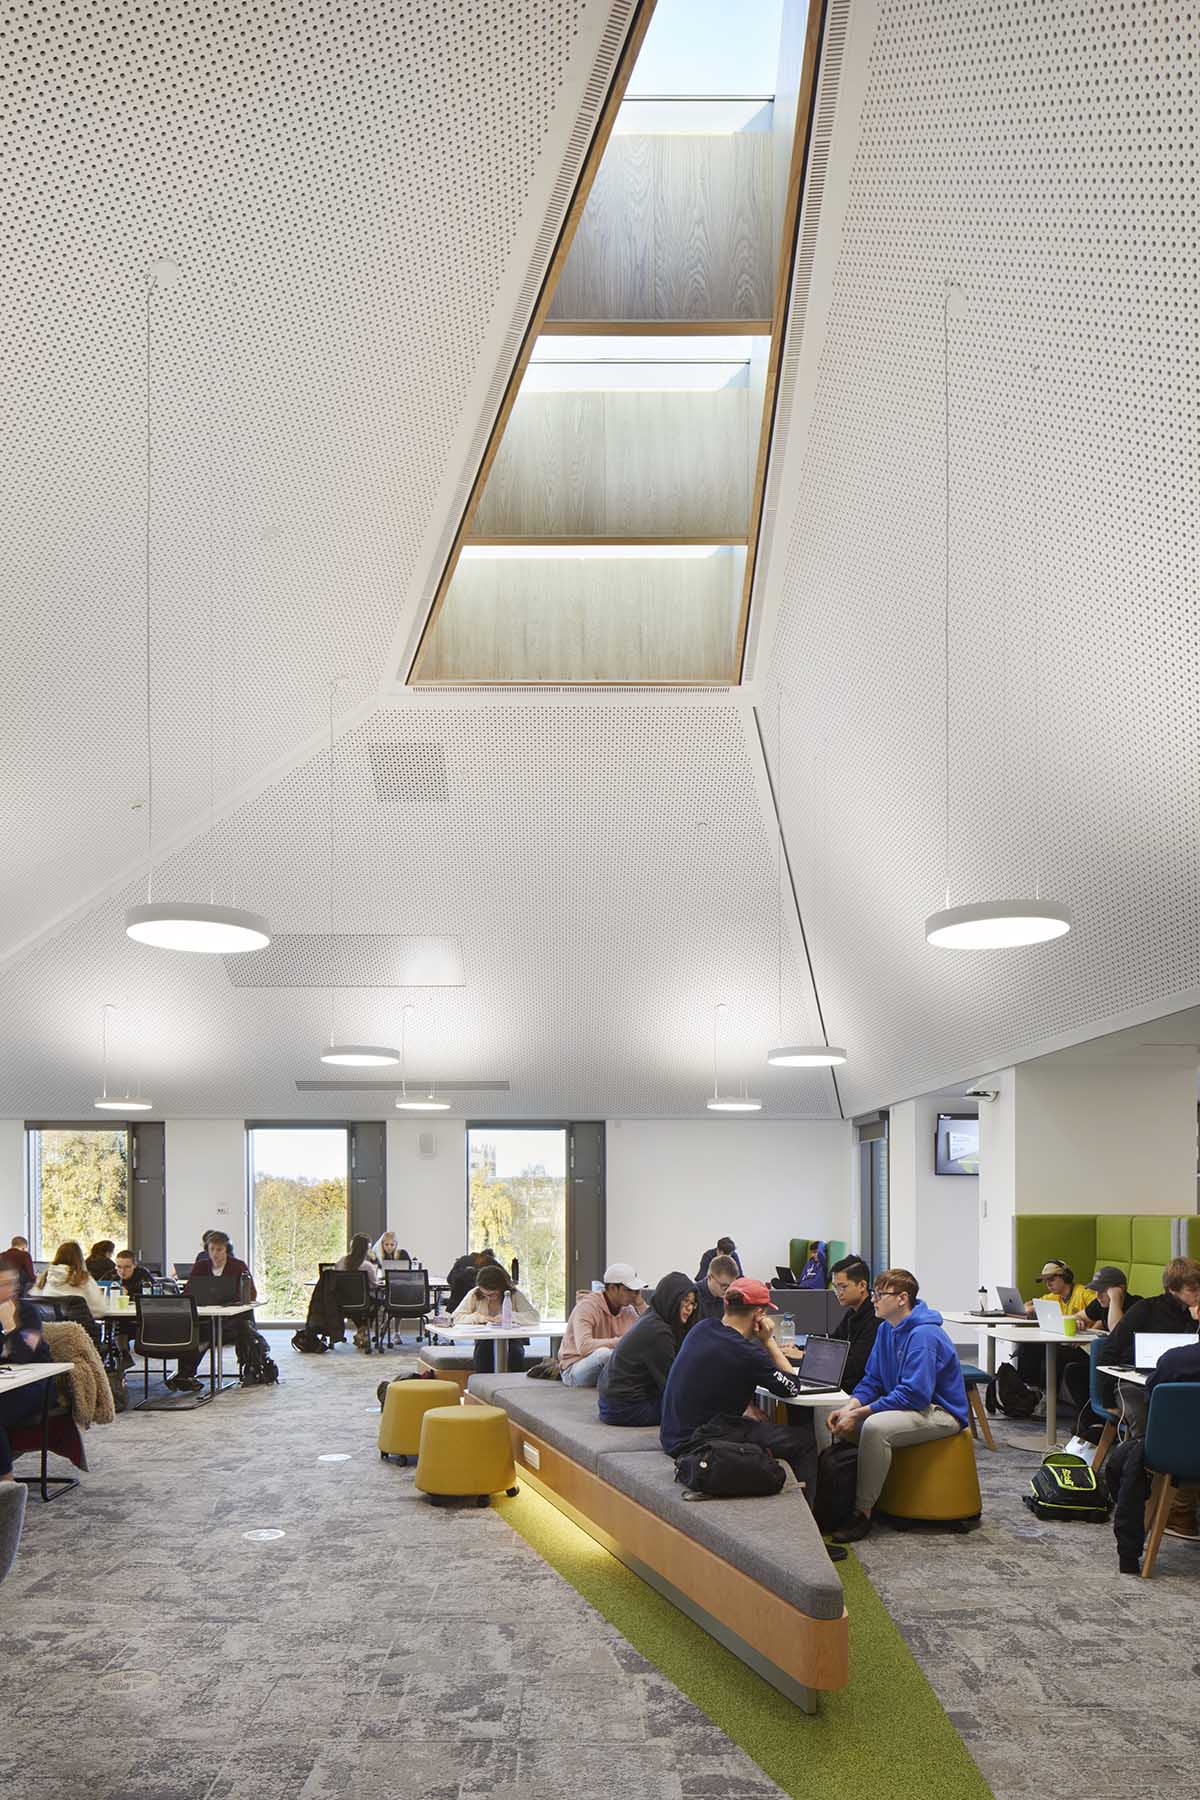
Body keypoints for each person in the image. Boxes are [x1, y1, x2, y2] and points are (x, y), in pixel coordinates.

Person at [826, 1268, 968, 1544]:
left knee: (875, 1427)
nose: (873, 1300)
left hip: (940, 1411)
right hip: (910, 1406)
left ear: (902, 1298)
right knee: (834, 1411)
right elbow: (872, 1379)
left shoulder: (924, 1335)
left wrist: (861, 1413)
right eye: (875, 1294)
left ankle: (863, 1511)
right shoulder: (886, 1330)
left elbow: (915, 1395)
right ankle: (835, 1498)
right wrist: (850, 1407)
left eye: (880, 1295)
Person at [658, 1278, 818, 1491]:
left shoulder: (702, 1328)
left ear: (726, 1304)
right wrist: (768, 1341)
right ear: (759, 1314)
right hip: (700, 1443)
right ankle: (806, 1510)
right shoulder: (748, 1353)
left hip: (672, 1435)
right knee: (804, 1441)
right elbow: (792, 1386)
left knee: (757, 1425)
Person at [1106, 1298, 1200, 1572]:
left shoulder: (1174, 1361)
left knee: (1132, 1453)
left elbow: (1155, 1406)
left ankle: (1133, 1552)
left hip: (1177, 1456)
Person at [1100, 1256, 1200, 1434]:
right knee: (1143, 1413)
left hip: (1181, 1380)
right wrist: (1107, 1401)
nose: (1199, 1294)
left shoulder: (1196, 1314)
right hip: (1134, 1382)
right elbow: (1109, 1349)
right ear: (1172, 1289)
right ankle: (1145, 1450)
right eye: (1193, 1290)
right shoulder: (1145, 1309)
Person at [599, 1272, 697, 1425]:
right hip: (624, 1408)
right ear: (672, 1299)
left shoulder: (653, 1317)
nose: (689, 1308)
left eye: (692, 1303)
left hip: (611, 1402)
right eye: (685, 1301)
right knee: (696, 1409)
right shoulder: (659, 1332)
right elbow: (671, 1384)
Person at [171, 1231, 258, 1392]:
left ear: (227, 1250)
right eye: (212, 1249)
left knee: (210, 1333)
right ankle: (185, 1374)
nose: (215, 1254)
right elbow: (189, 1292)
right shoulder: (201, 1266)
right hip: (205, 1317)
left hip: (232, 1320)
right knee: (196, 1331)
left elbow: (251, 1294)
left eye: (219, 1249)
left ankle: (186, 1373)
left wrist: (230, 1300)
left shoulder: (238, 1266)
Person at [0, 1261, 53, 1482]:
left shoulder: (29, 1313)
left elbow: (22, 1356)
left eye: (12, 1283)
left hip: (37, 1383)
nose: (11, 1289)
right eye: (3, 1284)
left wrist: (10, 1326)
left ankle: (6, 1483)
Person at [1011, 1259, 1095, 1397]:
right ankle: (1029, 1390)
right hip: (1064, 1342)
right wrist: (1031, 1309)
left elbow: (1100, 1316)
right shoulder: (1054, 1297)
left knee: (1053, 1354)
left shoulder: (1084, 1293)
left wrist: (1089, 1336)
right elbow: (1027, 1306)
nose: (1048, 1284)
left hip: (1084, 1347)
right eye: (1045, 1281)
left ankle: (1047, 1397)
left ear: (1065, 1277)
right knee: (1028, 1345)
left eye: (1051, 1279)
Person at [559, 1263, 646, 1387]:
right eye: (629, 1290)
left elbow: (648, 1333)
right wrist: (622, 1342)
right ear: (613, 1288)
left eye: (636, 1291)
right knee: (604, 1355)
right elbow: (584, 1346)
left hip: (608, 1364)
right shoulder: (587, 1307)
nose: (633, 1294)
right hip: (574, 1368)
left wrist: (640, 1304)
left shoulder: (628, 1310)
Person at [453, 1263, 539, 1372]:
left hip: (512, 1338)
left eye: (492, 1295)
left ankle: (513, 1381)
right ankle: (483, 1381)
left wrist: (509, 1316)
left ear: (502, 1288)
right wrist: (480, 1317)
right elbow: (456, 1317)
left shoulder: (513, 1294)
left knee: (514, 1353)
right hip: (484, 1339)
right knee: (483, 1352)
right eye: (485, 1295)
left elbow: (534, 1317)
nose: (488, 1298)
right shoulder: (475, 1293)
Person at [828, 1256, 880, 1393]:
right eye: (835, 1287)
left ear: (862, 1285)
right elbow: (833, 1343)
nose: (838, 1293)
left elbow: (856, 1365)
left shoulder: (876, 1318)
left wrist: (807, 1356)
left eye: (843, 1287)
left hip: (860, 1390)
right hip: (847, 1384)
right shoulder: (852, 1312)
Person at [35, 1241, 108, 1321]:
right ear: (79, 1259)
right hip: (79, 1327)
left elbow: (35, 1304)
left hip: (50, 1327)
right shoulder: (83, 1278)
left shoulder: (44, 1279)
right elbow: (99, 1309)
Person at [113, 1248, 153, 1366]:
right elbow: (99, 1291)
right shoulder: (111, 1275)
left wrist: (129, 1294)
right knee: (118, 1322)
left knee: (120, 1323)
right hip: (118, 1316)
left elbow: (151, 1296)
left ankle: (123, 1355)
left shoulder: (142, 1274)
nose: (122, 1271)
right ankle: (122, 1355)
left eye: (127, 1267)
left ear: (134, 1266)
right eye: (119, 1267)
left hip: (141, 1319)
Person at [1080, 1265, 1142, 1334]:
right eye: (1096, 1290)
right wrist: (1077, 1321)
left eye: (1103, 1290)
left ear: (1121, 1288)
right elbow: (1078, 1316)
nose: (1098, 1296)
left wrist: (1115, 1298)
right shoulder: (1101, 1302)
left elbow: (1118, 1333)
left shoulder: (1137, 1306)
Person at [693, 1254, 739, 1322]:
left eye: (731, 1285)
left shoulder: (729, 1295)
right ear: (710, 1277)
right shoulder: (693, 1296)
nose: (728, 1291)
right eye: (724, 1286)